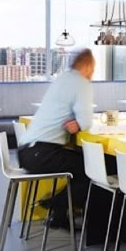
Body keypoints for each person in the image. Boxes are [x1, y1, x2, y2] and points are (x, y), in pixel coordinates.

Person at [18, 48, 95, 228]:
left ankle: (59, 216)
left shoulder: (62, 78)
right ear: (87, 65)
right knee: (91, 168)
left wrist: (76, 123)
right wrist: (79, 123)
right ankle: (57, 203)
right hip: (42, 152)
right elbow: (86, 121)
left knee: (80, 163)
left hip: (27, 151)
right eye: (92, 68)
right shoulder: (81, 82)